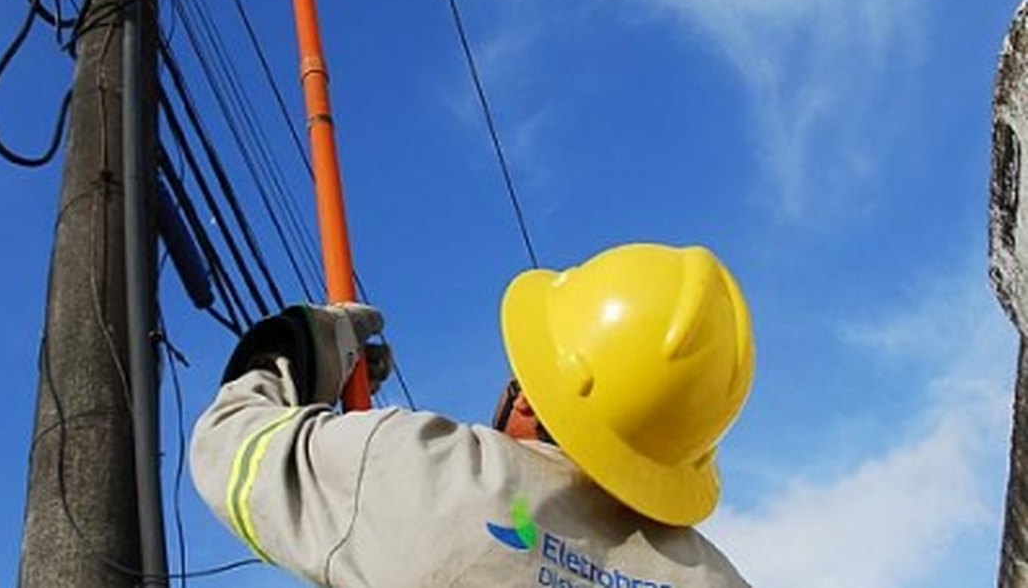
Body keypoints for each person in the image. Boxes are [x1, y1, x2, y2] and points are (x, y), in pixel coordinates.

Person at [191, 242, 755, 587]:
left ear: (530, 397)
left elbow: (230, 448)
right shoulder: (719, 579)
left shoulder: (415, 470)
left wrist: (306, 344)